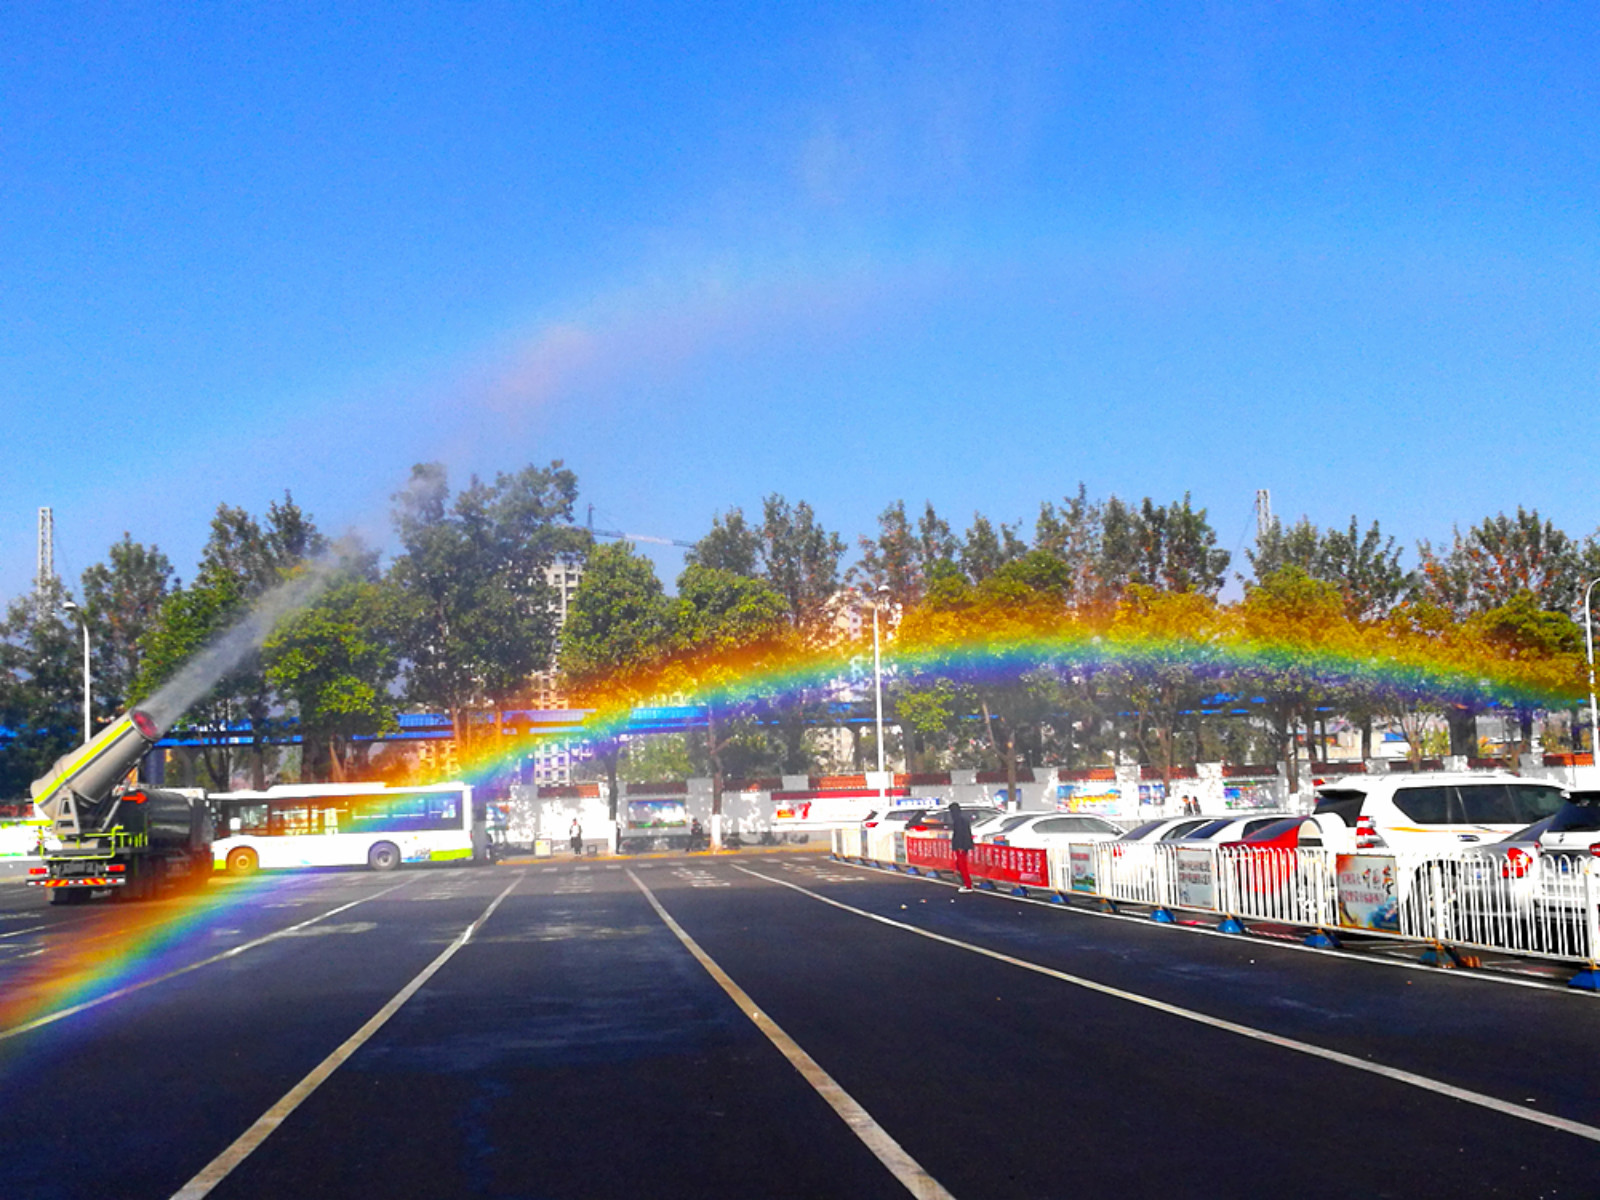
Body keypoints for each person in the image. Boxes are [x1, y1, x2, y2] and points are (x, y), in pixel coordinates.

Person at [948, 801, 975, 893]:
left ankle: (968, 885)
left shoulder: (958, 820)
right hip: (965, 845)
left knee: (963, 866)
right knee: (960, 865)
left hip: (961, 846)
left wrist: (959, 846)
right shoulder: (963, 819)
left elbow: (959, 834)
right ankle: (965, 883)